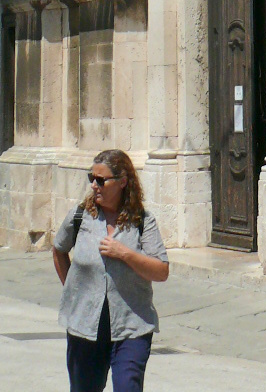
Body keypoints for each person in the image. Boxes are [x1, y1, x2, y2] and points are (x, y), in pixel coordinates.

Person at [52, 150, 169, 392]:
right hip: (85, 326)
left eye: (101, 180)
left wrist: (125, 253)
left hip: (130, 326)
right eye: (91, 178)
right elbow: (59, 249)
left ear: (123, 182)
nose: (94, 185)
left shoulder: (141, 221)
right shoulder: (80, 216)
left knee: (128, 386)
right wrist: (73, 290)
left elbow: (161, 271)